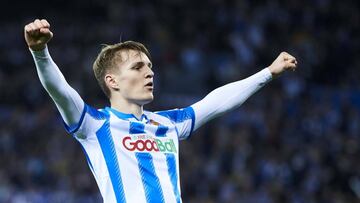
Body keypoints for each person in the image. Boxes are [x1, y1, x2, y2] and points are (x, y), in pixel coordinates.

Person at [24, 19, 297, 203]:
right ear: (112, 81)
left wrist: (267, 73)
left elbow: (216, 102)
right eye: (138, 67)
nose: (149, 72)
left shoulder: (168, 123)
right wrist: (40, 53)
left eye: (150, 66)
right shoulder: (95, 126)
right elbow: (59, 90)